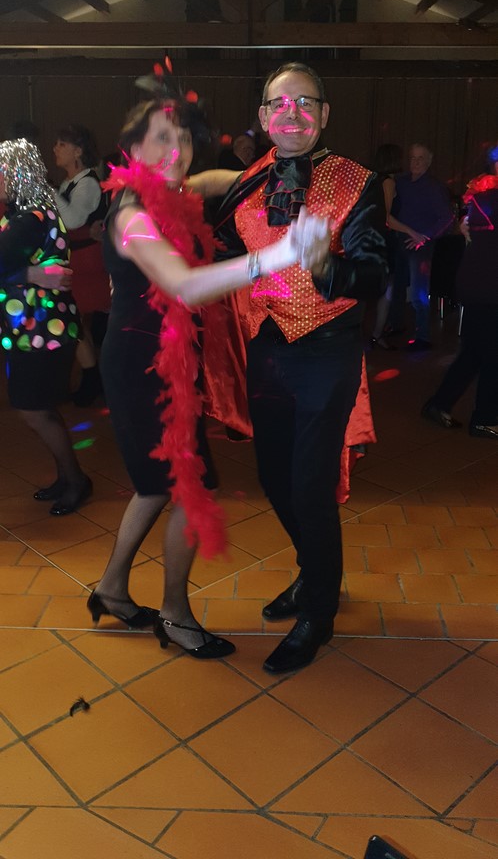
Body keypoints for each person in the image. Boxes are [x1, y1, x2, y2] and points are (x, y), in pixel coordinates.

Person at [89, 89, 324, 658]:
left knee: (154, 487)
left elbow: (214, 179)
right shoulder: (132, 216)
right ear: (132, 150)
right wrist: (278, 255)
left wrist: (270, 169)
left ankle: (112, 589)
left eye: (184, 138)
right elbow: (184, 284)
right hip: (141, 368)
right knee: (191, 489)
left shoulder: (171, 193)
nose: (177, 150)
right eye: (161, 139)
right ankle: (174, 614)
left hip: (165, 362)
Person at [210, 61, 387, 674]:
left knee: (311, 485)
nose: (292, 114)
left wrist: (325, 265)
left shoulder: (356, 181)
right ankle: (316, 573)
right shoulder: (247, 184)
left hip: (327, 350)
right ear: (263, 117)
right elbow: (226, 247)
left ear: (324, 114)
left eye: (305, 103)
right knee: (273, 477)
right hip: (267, 347)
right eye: (279, 104)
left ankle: (319, 610)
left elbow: (374, 275)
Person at [0, 138, 92, 515]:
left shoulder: (30, 218)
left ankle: (76, 481)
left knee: (34, 410)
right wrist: (31, 274)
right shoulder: (27, 214)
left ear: (17, 174)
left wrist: (27, 274)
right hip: (36, 329)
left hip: (41, 331)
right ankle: (67, 477)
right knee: (41, 409)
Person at [422, 147, 498, 439]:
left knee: (476, 352)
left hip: (479, 284)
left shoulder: (482, 198)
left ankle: (439, 405)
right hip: (487, 287)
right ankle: (484, 418)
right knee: (491, 355)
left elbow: (469, 230)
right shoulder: (488, 198)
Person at [53, 124, 110, 405]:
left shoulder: (87, 183)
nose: (55, 149)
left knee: (74, 319)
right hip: (77, 259)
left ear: (78, 151)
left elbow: (73, 219)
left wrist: (47, 191)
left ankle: (94, 378)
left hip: (88, 261)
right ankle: (93, 377)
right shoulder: (71, 182)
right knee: (75, 321)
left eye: (61, 144)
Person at [387, 143, 453, 350]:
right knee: (397, 288)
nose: (415, 162)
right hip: (400, 242)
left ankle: (423, 336)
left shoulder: (433, 187)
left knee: (418, 292)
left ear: (429, 161)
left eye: (420, 158)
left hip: (420, 247)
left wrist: (425, 237)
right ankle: (396, 325)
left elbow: (447, 217)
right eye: (413, 158)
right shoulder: (402, 182)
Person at [369, 143, 403, 350]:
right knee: (385, 291)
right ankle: (377, 334)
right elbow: (387, 218)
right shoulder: (388, 182)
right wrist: (412, 232)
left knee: (375, 290)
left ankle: (374, 333)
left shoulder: (372, 179)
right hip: (383, 240)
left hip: (372, 239)